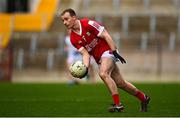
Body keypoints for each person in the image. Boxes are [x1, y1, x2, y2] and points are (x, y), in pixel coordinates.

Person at [60, 8, 150, 112]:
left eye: (66, 19)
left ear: (74, 18)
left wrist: (114, 51)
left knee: (103, 73)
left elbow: (106, 35)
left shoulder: (88, 23)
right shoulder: (73, 38)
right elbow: (85, 55)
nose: (64, 22)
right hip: (100, 59)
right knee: (121, 83)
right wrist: (85, 69)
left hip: (108, 51)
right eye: (63, 20)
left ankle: (118, 105)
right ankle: (144, 98)